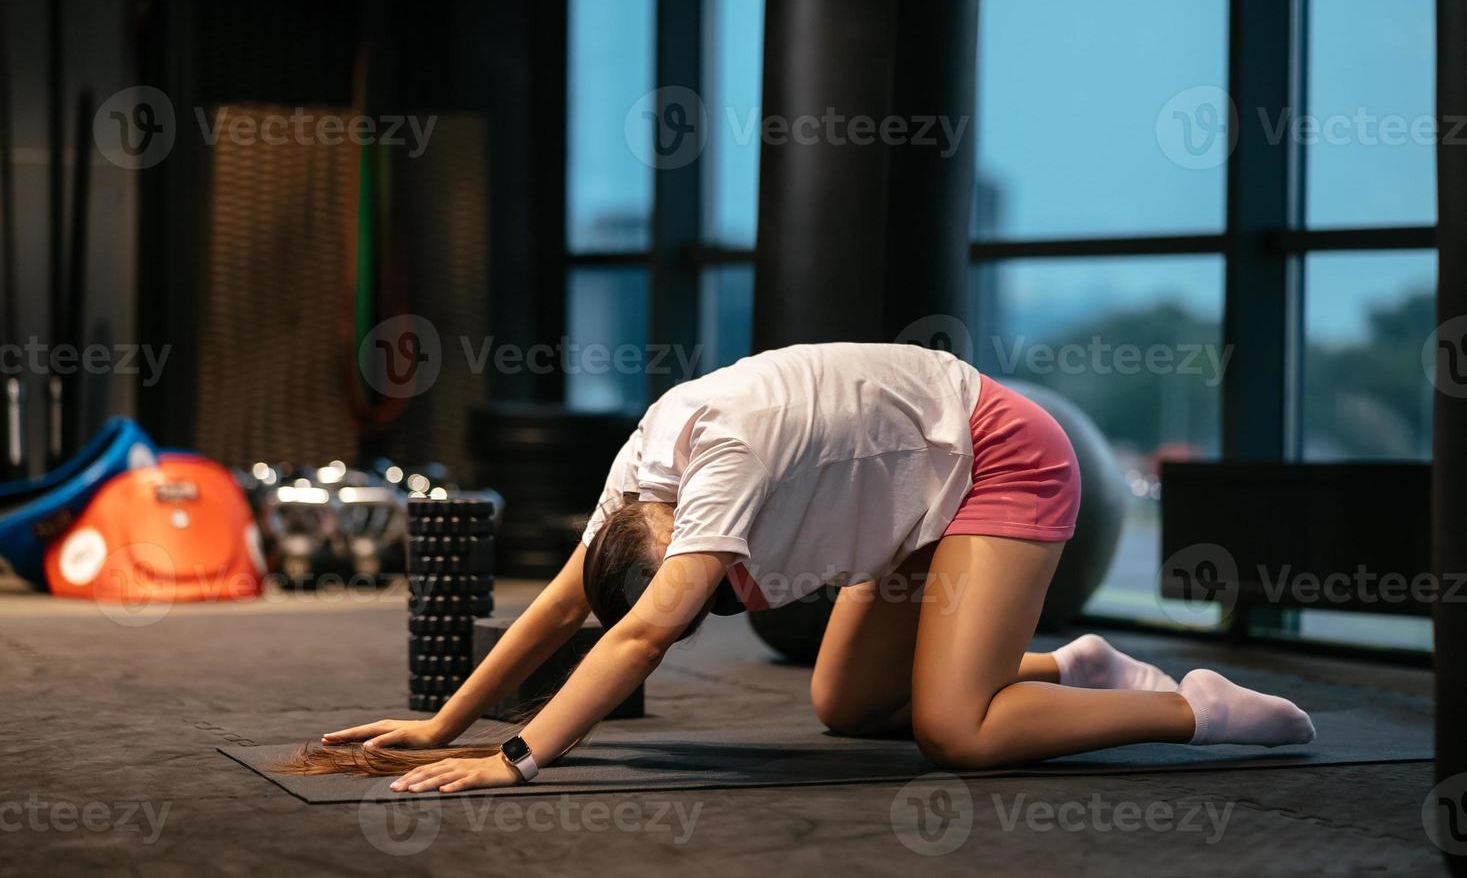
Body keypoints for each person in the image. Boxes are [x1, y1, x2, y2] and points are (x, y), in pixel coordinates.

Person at [315, 343, 1314, 793]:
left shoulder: (723, 465)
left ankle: (1195, 707)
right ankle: (1071, 667)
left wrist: (514, 756)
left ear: (673, 539)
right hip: (920, 487)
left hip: (1002, 455)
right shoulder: (633, 484)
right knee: (846, 700)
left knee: (955, 731)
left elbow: (647, 628)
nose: (715, 590)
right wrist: (443, 720)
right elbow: (563, 609)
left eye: (703, 579)